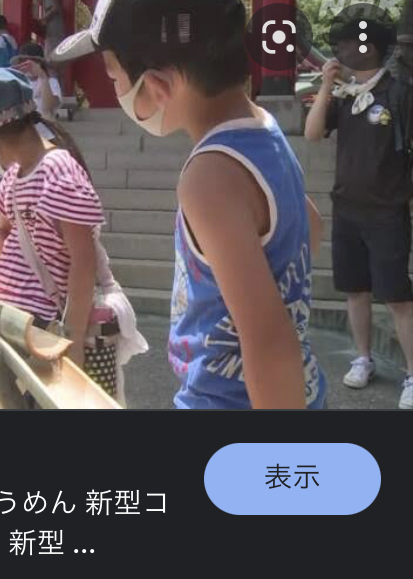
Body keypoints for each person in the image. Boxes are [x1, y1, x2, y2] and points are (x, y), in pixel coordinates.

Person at [52, 0, 326, 409]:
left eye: (113, 77)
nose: (115, 89)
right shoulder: (263, 133)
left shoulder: (209, 176)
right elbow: (310, 226)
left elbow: (271, 347)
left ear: (157, 85)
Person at [0, 68, 147, 408]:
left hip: (42, 330)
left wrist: (72, 344)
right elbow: (3, 249)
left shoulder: (59, 170)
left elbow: (83, 264)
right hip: (7, 319)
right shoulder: (15, 175)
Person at [305, 18, 413, 409]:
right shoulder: (345, 95)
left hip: (387, 210)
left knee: (397, 296)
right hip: (347, 208)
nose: (341, 51)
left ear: (370, 48)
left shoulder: (398, 92)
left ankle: (412, 374)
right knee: (355, 290)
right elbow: (312, 133)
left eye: (348, 44)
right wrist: (325, 87)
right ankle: (363, 358)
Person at [11, 43, 62, 120]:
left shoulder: (52, 82)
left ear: (40, 63)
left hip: (44, 124)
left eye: (32, 62)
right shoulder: (16, 83)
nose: (28, 66)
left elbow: (49, 107)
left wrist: (43, 77)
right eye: (23, 62)